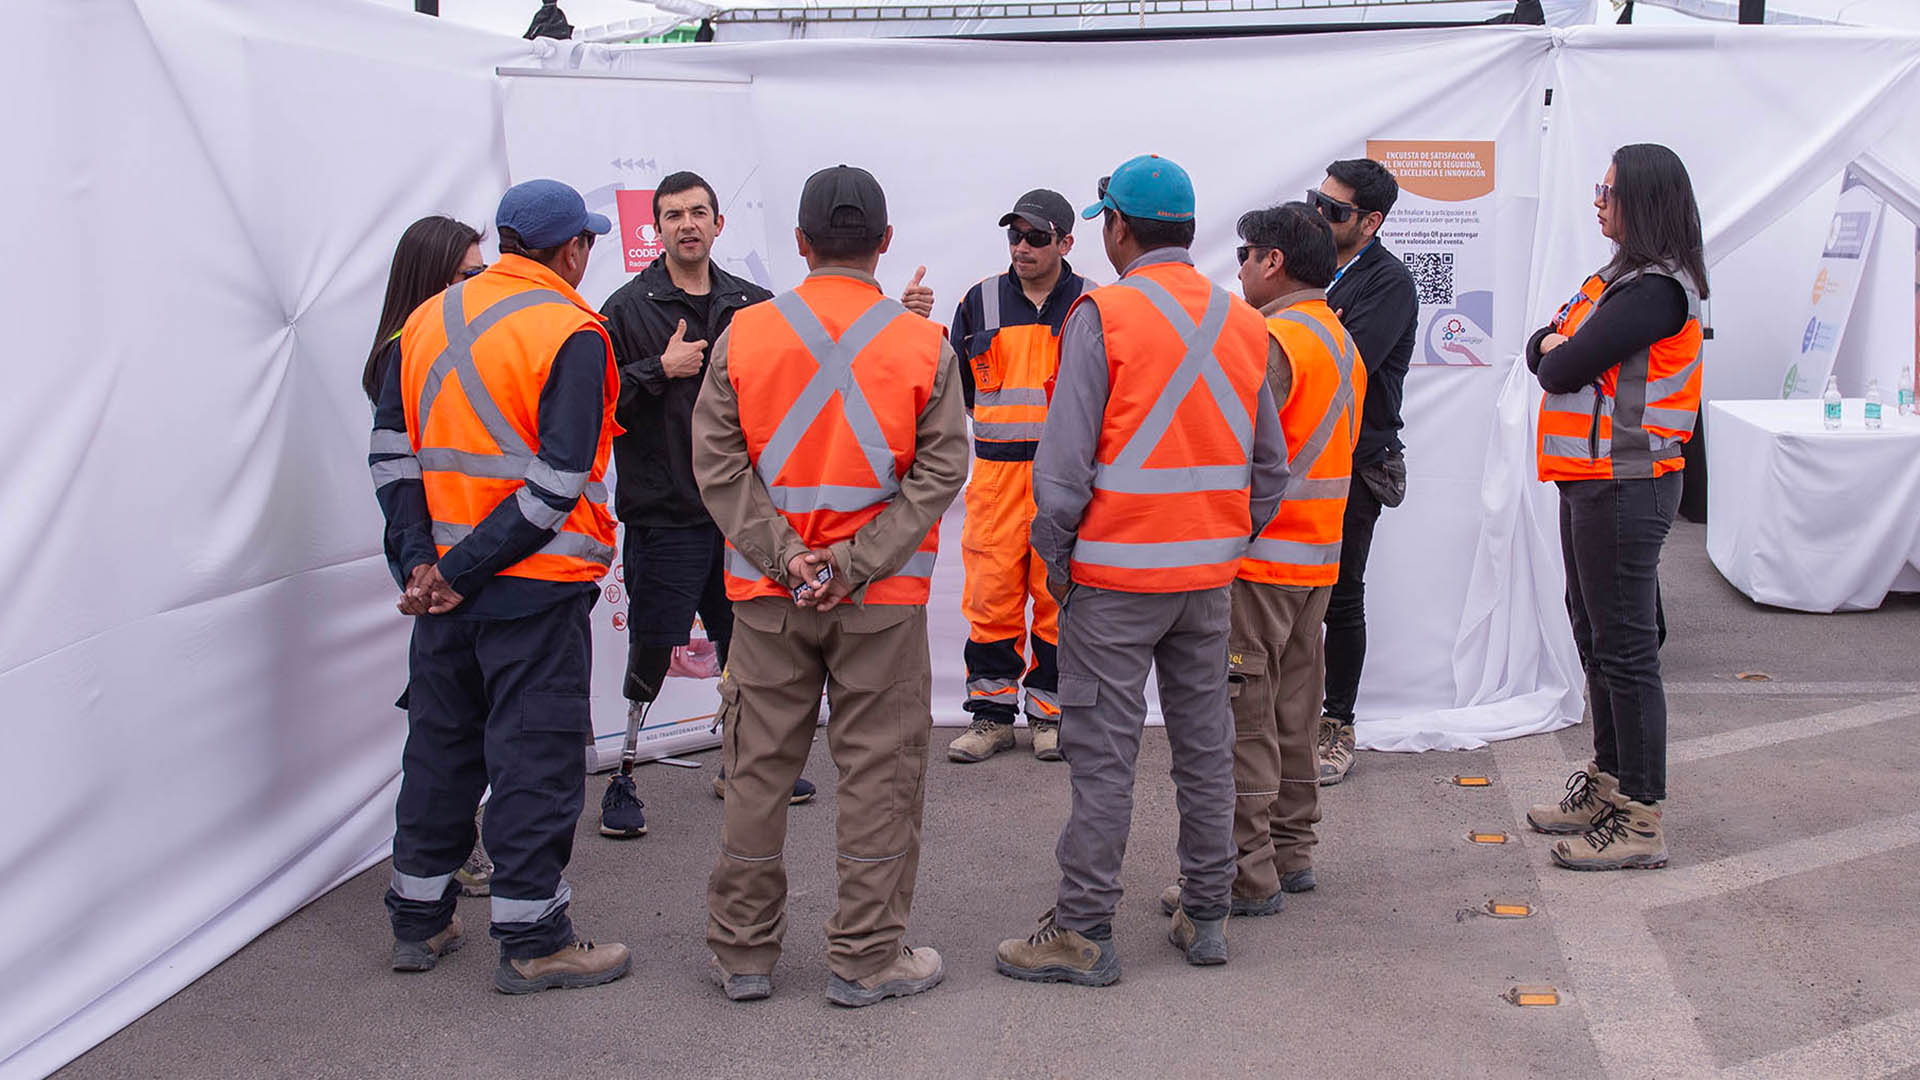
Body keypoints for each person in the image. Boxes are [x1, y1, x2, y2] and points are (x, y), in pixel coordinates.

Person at [994, 155, 1290, 985]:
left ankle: (1084, 930)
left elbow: (1059, 480)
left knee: (1103, 760)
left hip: (1113, 584)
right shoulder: (1241, 324)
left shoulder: (1104, 315)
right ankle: (1206, 914)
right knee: (1205, 748)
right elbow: (1270, 472)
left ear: (1118, 227)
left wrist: (1060, 565)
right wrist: (1221, 542)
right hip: (1206, 584)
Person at [693, 165, 966, 1006]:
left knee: (757, 772)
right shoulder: (926, 346)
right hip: (877, 605)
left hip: (768, 601)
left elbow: (717, 461)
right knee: (879, 776)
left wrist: (788, 556)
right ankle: (866, 957)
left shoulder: (744, 335)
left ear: (801, 244)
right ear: (884, 245)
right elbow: (941, 468)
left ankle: (744, 956)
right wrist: (852, 564)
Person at [368, 179, 631, 994]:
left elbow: (392, 456)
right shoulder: (573, 331)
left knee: (441, 750)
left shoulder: (424, 321)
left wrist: (421, 565)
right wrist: (453, 570)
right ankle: (534, 939)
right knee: (533, 759)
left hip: (442, 592)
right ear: (571, 250)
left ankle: (420, 921)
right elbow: (556, 485)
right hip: (531, 589)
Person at [1160, 203, 1364, 918]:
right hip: (1315, 562)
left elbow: (1244, 452)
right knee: (1294, 713)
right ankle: (1291, 851)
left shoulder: (1271, 338)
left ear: (1273, 261)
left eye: (1246, 254)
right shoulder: (1338, 337)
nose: (1239, 267)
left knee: (1242, 723)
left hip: (1259, 565)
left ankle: (1245, 875)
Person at [594, 171, 812, 839]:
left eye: (697, 213)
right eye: (671, 215)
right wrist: (659, 370)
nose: (686, 224)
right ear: (653, 230)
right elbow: (595, 404)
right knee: (653, 649)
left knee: (743, 649)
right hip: (665, 514)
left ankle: (739, 763)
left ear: (719, 224)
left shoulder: (754, 305)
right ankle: (624, 774)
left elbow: (796, 389)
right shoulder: (626, 309)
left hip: (740, 514)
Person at [1524, 144, 1707, 872]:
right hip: (1595, 480)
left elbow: (1559, 364)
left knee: (1626, 650)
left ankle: (1640, 818)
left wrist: (1552, 345)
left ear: (1643, 200)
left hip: (1628, 484)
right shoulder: (1620, 280)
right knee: (1597, 638)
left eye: (1608, 191)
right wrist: (1550, 344)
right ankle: (1609, 784)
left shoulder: (1654, 292)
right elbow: (1545, 347)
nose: (1597, 202)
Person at [361, 215, 492, 896]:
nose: (485, 283)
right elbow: (399, 472)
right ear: (436, 277)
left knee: (447, 722)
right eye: (472, 273)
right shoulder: (409, 350)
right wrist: (423, 567)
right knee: (450, 730)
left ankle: (435, 872)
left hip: (454, 565)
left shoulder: (431, 343)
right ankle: (443, 862)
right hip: (454, 567)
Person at [944, 189, 1097, 765]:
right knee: (991, 596)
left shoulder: (1090, 305)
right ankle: (990, 717)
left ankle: (1051, 714)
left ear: (1065, 242)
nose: (1022, 247)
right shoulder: (978, 301)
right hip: (996, 480)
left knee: (1058, 597)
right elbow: (958, 387)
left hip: (1066, 481)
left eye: (1036, 237)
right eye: (1015, 236)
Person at [1311, 158, 1419, 787]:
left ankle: (1337, 724)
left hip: (1355, 462)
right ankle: (1291, 716)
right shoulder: (1312, 267)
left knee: (1341, 596)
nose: (1320, 217)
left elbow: (1337, 362)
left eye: (1336, 210)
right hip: (1301, 458)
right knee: (1287, 593)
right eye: (1316, 202)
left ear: (1371, 222)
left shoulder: (1388, 283)